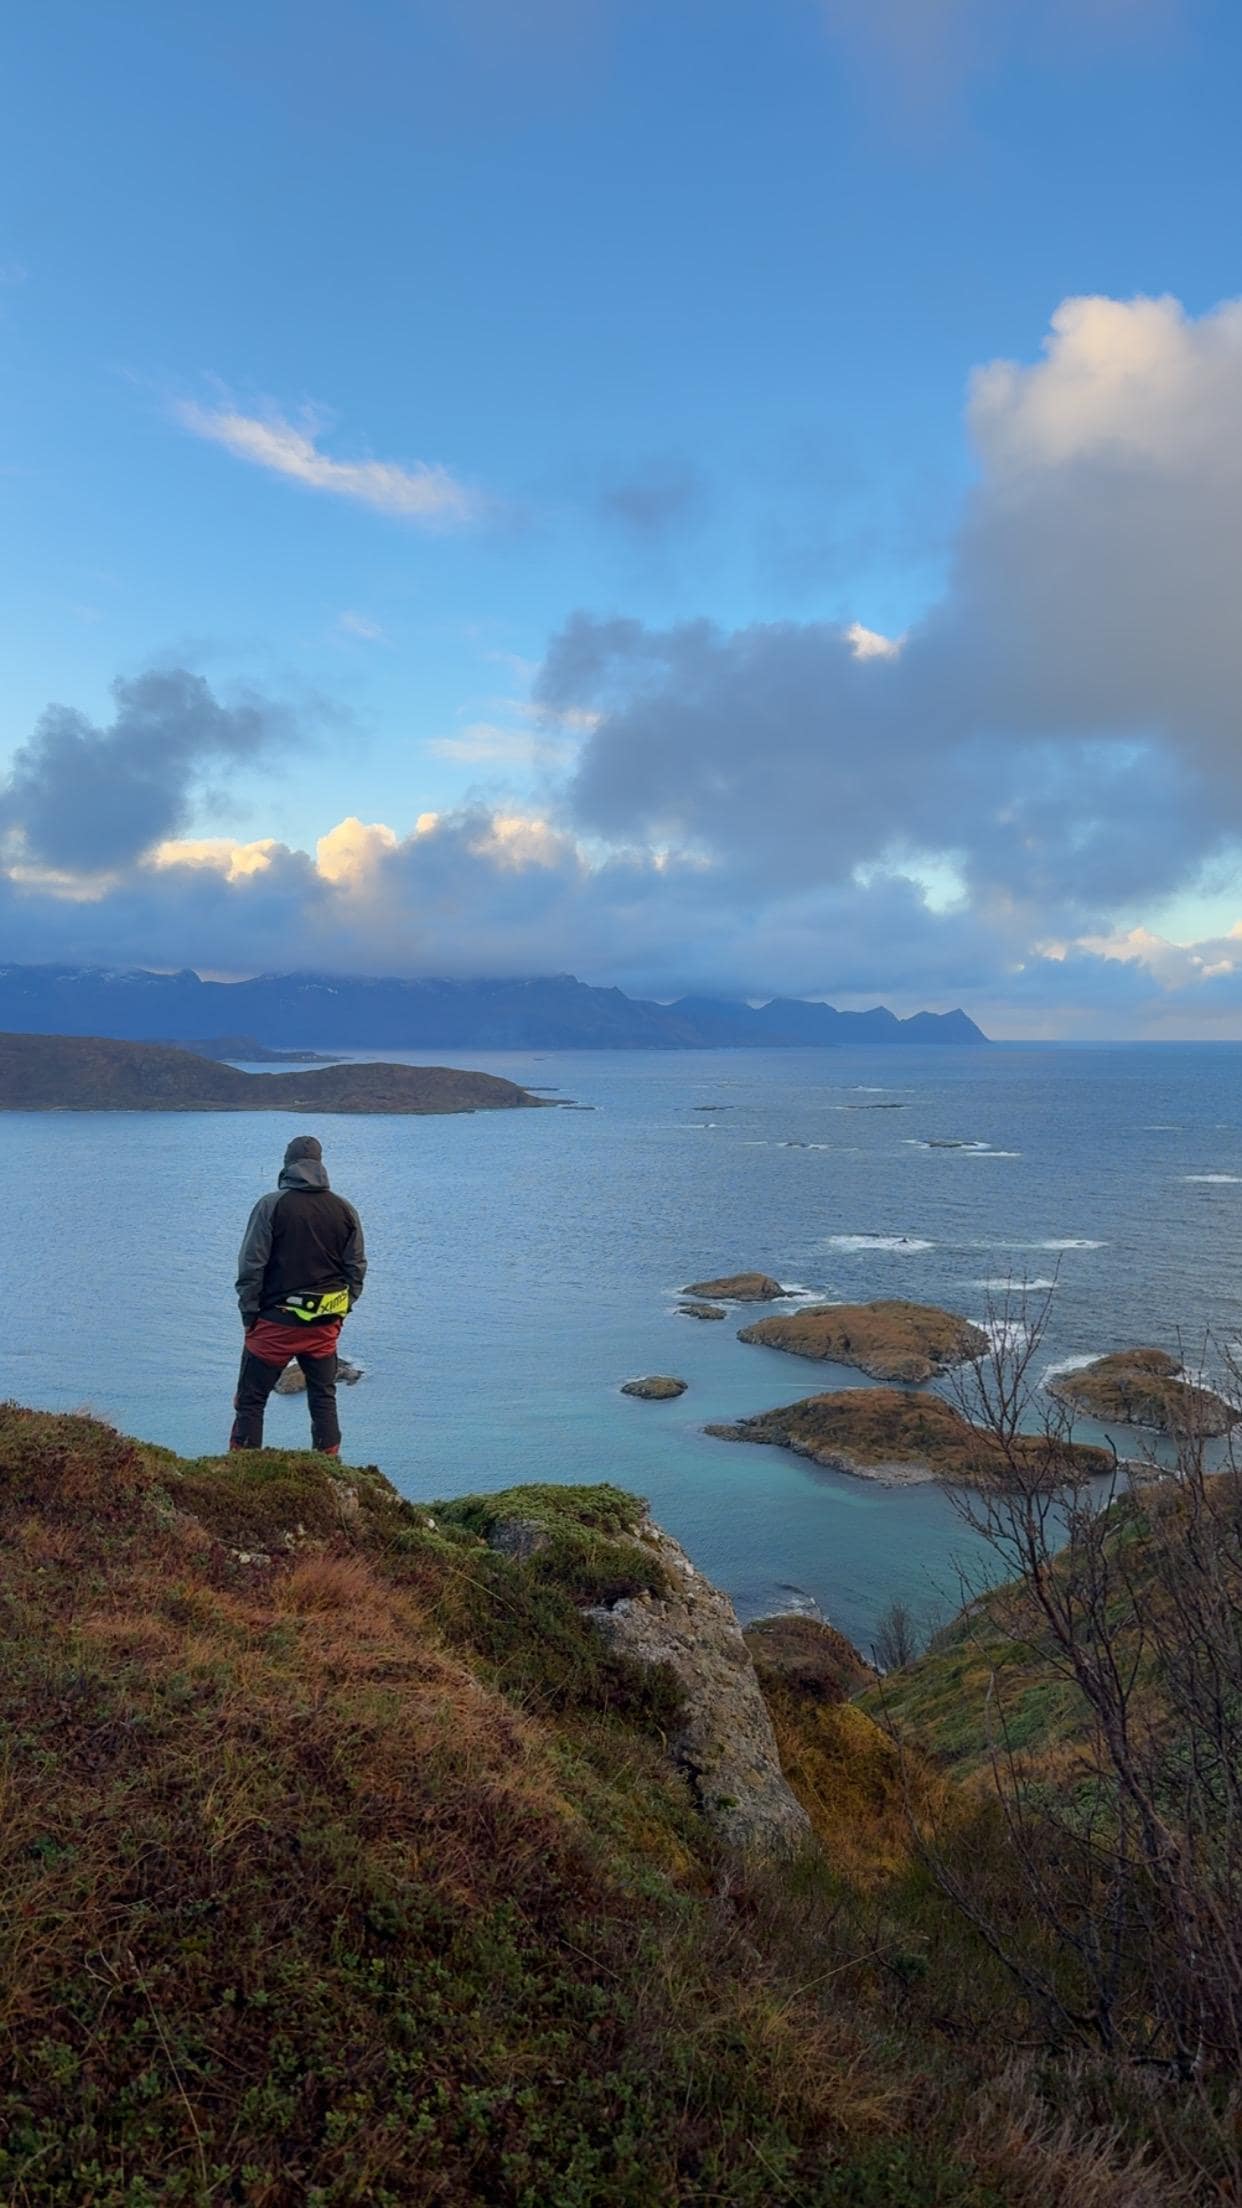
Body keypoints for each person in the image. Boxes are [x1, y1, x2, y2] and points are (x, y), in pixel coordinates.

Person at [230, 1134, 367, 1455]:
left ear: (287, 1165)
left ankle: (239, 1478)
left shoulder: (271, 1206)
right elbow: (356, 1268)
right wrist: (342, 1310)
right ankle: (331, 1471)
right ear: (320, 1165)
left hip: (275, 1323)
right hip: (323, 1325)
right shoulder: (344, 1209)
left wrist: (249, 1317)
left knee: (250, 1401)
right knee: (323, 1397)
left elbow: (251, 1267)